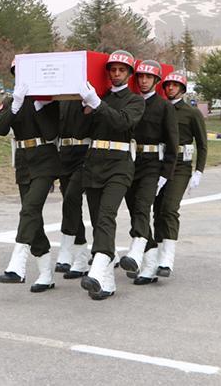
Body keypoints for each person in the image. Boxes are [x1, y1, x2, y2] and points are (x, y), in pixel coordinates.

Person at [78, 50, 146, 301]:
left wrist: (96, 104)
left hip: (119, 164)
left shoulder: (135, 101)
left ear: (129, 74)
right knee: (97, 219)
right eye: (113, 70)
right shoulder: (100, 97)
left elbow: (123, 123)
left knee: (107, 214)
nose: (116, 74)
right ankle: (106, 283)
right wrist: (84, 108)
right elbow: (82, 130)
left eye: (121, 70)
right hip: (95, 162)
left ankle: (96, 271)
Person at [0, 60, 60, 293]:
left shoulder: (47, 100)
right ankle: (45, 272)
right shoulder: (12, 101)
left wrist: (41, 108)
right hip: (23, 161)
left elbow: (52, 132)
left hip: (45, 160)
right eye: (17, 73)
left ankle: (18, 263)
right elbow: (0, 129)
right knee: (34, 218)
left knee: (29, 209)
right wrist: (15, 106)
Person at [140, 71, 208, 283]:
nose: (170, 88)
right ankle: (156, 258)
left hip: (181, 166)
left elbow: (202, 143)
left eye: (175, 85)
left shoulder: (191, 112)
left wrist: (199, 170)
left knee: (169, 208)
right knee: (157, 210)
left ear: (182, 89)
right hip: (160, 163)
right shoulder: (160, 107)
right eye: (167, 85)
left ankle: (167, 258)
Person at [118, 60, 178, 282]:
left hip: (153, 164)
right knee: (135, 212)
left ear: (156, 81)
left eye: (148, 78)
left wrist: (165, 174)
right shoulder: (131, 103)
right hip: (130, 162)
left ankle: (137, 254)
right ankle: (150, 264)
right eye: (140, 77)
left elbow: (173, 143)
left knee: (143, 208)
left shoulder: (165, 107)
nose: (143, 81)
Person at [54, 97, 92, 279]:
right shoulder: (61, 98)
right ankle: (83, 256)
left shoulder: (88, 95)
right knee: (72, 205)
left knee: (71, 198)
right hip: (65, 154)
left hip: (85, 154)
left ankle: (67, 248)